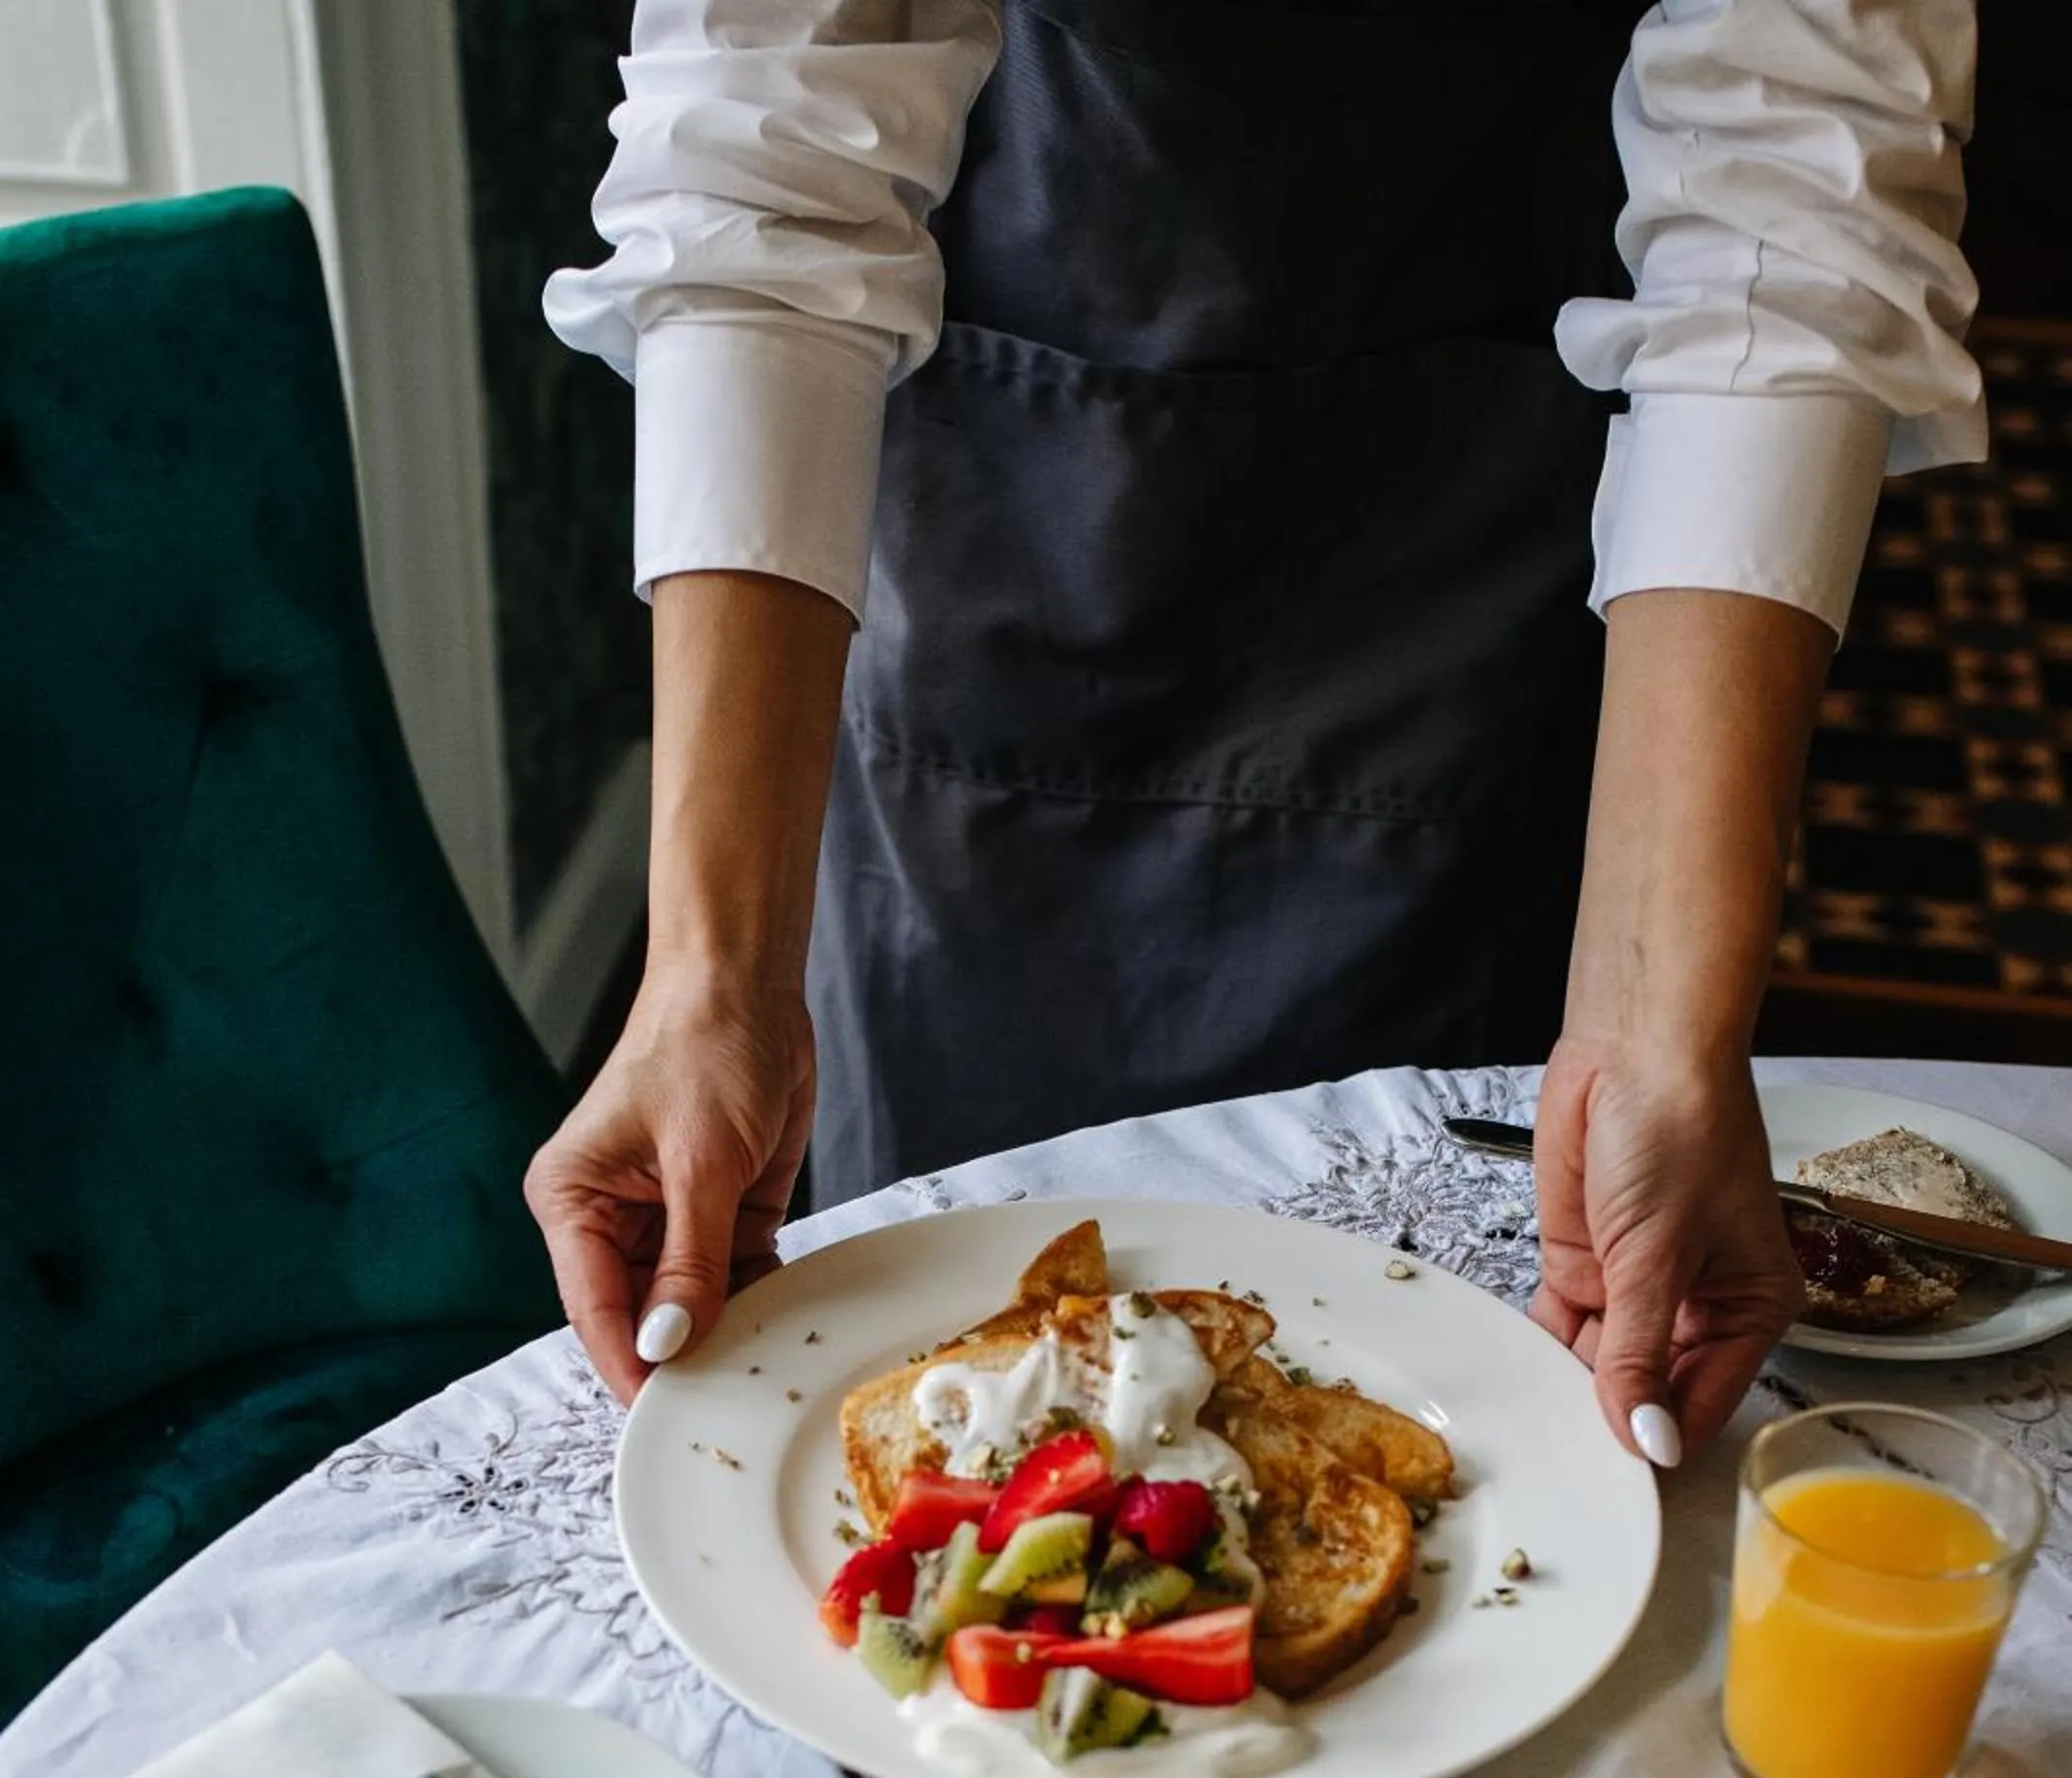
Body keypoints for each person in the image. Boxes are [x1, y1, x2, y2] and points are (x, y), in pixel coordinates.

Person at [531, 0, 1982, 1464]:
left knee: (1476, 1382)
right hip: (1020, 495)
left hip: (1480, 502)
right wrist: (708, 981)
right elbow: (772, 149)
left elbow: (1788, 199)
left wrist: (1654, 1028)